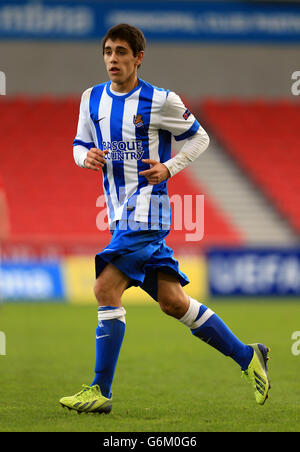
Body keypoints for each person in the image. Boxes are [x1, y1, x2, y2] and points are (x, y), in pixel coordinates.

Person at [59, 24, 271, 414]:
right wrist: (83, 157)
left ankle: (99, 391)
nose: (113, 59)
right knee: (173, 303)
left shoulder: (160, 100)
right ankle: (248, 356)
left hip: (148, 210)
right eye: (108, 52)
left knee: (105, 289)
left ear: (138, 58)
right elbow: (79, 142)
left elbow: (200, 137)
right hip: (118, 214)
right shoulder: (91, 100)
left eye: (121, 52)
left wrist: (170, 167)